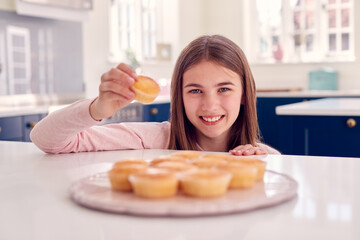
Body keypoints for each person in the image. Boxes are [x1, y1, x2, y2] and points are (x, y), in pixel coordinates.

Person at [30, 35, 280, 155]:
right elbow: (46, 140)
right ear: (178, 96)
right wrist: (97, 109)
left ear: (245, 94)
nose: (210, 104)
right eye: (194, 90)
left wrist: (267, 159)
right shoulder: (156, 138)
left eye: (223, 89)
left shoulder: (257, 154)